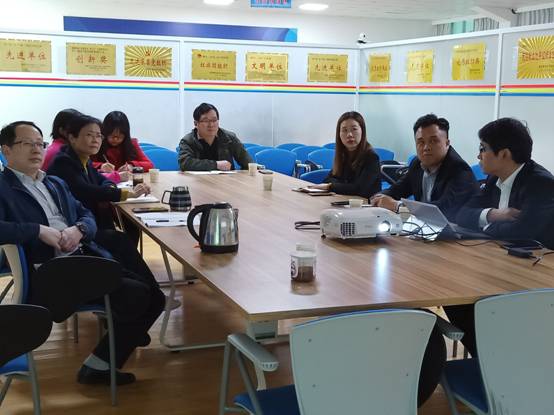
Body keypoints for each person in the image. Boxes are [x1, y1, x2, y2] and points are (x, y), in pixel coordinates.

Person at [0, 121, 165, 384]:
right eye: (27, 143)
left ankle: (98, 365)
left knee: (153, 297)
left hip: (82, 257)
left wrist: (79, 229)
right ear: (6, 150)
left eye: (39, 144)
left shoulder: (53, 182)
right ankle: (102, 361)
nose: (36, 149)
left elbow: (86, 214)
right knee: (138, 293)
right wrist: (37, 230)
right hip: (50, 272)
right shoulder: (4, 187)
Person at [445, 118, 554, 356]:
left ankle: (500, 358)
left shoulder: (542, 184)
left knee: (465, 301)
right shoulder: (495, 178)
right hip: (499, 265)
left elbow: (523, 231)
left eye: (483, 148)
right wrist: (494, 215)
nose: (479, 155)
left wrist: (484, 228)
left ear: (504, 154)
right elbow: (462, 213)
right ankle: (489, 357)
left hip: (536, 277)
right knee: (452, 297)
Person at [47, 114, 148, 244]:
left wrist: (109, 186)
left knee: (129, 228)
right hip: (75, 229)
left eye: (99, 136)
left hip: (89, 221)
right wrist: (130, 194)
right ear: (72, 138)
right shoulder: (63, 162)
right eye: (89, 135)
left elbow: (101, 179)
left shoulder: (83, 158)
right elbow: (87, 190)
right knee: (121, 240)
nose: (95, 140)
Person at [371, 114, 478, 221]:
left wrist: (397, 206)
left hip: (456, 229)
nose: (426, 147)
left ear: (447, 143)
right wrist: (380, 197)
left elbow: (442, 210)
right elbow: (397, 189)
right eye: (421, 142)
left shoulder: (459, 170)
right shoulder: (417, 163)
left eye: (433, 141)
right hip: (425, 226)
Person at [307, 111, 381, 199]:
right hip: (345, 201)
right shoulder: (343, 155)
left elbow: (359, 189)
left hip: (365, 204)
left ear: (362, 131)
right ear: (339, 134)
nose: (349, 135)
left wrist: (331, 186)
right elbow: (328, 180)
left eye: (354, 129)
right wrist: (339, 185)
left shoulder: (371, 157)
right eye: (344, 130)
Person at [178, 103, 252, 171]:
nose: (211, 124)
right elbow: (185, 164)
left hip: (226, 180)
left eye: (214, 120)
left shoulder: (230, 138)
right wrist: (216, 165)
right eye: (206, 121)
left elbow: (248, 164)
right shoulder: (187, 141)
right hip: (197, 180)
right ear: (196, 124)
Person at [92, 110, 154, 175]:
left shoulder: (132, 143)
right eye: (111, 135)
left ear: (126, 134)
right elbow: (86, 164)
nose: (115, 139)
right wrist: (101, 166)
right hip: (104, 180)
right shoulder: (97, 142)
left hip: (127, 180)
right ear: (105, 132)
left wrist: (131, 166)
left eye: (120, 136)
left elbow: (149, 164)